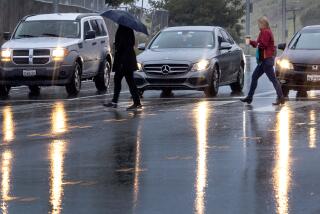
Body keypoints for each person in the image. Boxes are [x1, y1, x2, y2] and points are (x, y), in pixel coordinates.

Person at [241, 16, 285, 105]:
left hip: (266, 60)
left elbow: (263, 45)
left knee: (273, 79)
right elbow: (258, 44)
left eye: (259, 24)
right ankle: (249, 97)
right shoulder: (263, 32)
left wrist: (253, 43)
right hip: (263, 60)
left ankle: (281, 98)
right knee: (256, 77)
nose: (258, 25)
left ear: (263, 24)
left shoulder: (266, 32)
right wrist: (250, 42)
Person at [104, 25, 142, 110]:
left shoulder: (123, 28)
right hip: (126, 60)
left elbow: (124, 45)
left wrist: (117, 46)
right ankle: (134, 102)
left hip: (124, 61)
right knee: (122, 80)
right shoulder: (128, 28)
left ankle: (135, 102)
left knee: (125, 81)